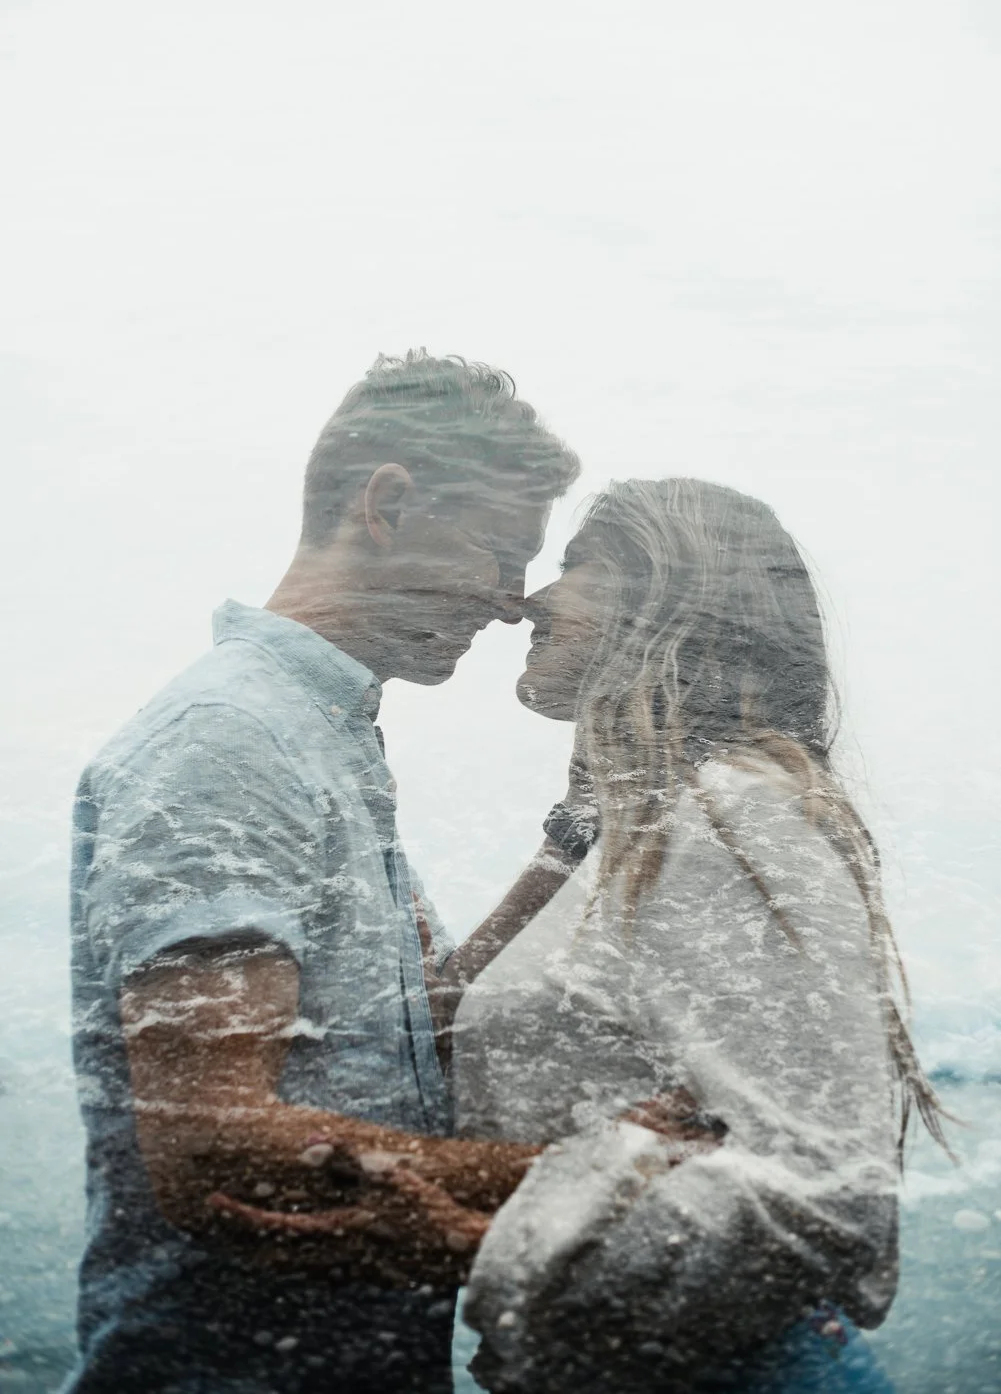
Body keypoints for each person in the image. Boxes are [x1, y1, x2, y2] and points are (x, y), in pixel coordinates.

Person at [64, 351, 580, 1394]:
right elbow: (213, 1142)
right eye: (499, 551)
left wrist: (568, 846)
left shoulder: (318, 734)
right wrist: (595, 1182)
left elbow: (411, 1027)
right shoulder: (230, 742)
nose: (513, 604)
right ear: (386, 503)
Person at [447, 478, 950, 1393]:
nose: (529, 599)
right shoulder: (641, 829)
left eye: (573, 566)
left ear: (661, 597)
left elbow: (830, 1198)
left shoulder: (731, 817)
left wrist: (518, 1269)